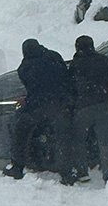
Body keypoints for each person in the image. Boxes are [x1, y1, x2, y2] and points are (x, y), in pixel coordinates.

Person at [5, 38, 73, 180]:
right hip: (60, 103)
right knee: (62, 137)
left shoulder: (26, 67)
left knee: (20, 131)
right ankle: (66, 172)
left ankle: (18, 166)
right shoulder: (54, 56)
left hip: (37, 106)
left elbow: (31, 87)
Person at [69, 35, 108, 183]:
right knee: (107, 142)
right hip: (105, 106)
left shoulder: (76, 64)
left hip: (83, 108)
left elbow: (70, 87)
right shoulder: (104, 61)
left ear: (77, 48)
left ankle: (82, 172)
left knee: (78, 140)